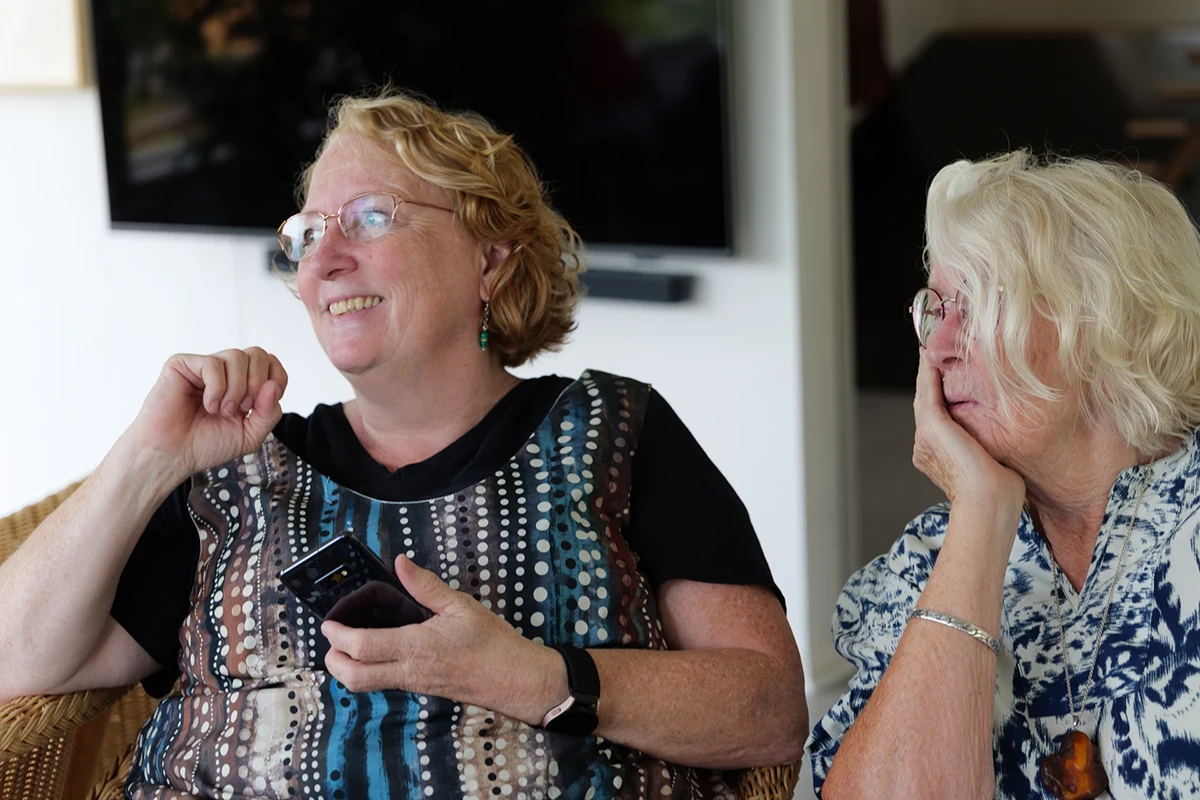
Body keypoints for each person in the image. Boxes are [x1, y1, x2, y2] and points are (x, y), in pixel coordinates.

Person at [0, 90, 807, 799]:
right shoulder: (238, 471)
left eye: (371, 218)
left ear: (489, 257)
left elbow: (769, 713)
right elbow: (16, 662)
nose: (327, 259)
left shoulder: (614, 431)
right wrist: (147, 457)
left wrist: (530, 677)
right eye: (309, 233)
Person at [809, 150, 1200, 799]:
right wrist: (980, 517)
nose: (936, 347)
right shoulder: (931, 558)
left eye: (979, 306)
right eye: (935, 310)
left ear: (1107, 320)